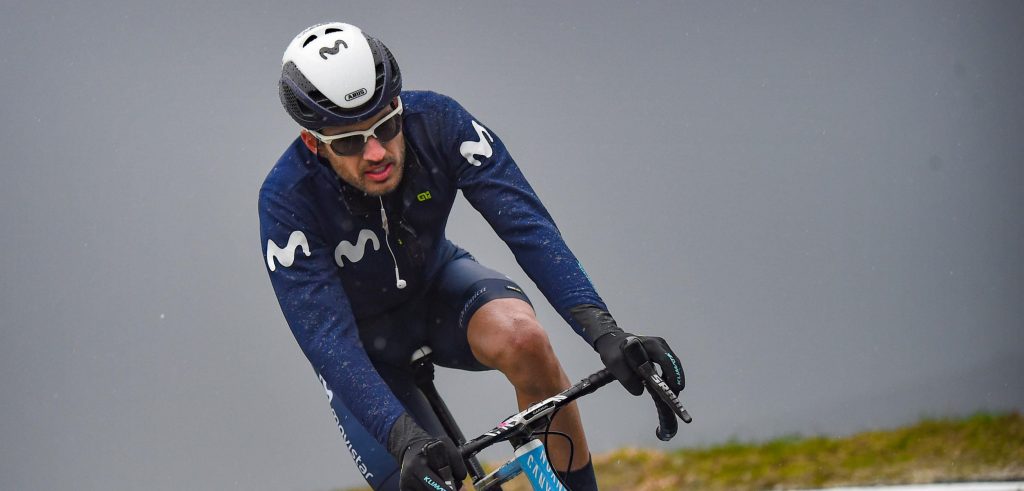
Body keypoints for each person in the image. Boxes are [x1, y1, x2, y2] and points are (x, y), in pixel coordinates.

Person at [259, 22, 685, 491]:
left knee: (525, 340)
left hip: (440, 289)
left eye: (387, 126)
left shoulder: (439, 121)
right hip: (361, 351)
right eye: (350, 142)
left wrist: (605, 332)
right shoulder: (287, 201)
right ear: (313, 142)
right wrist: (403, 438)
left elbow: (527, 226)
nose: (377, 152)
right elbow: (326, 339)